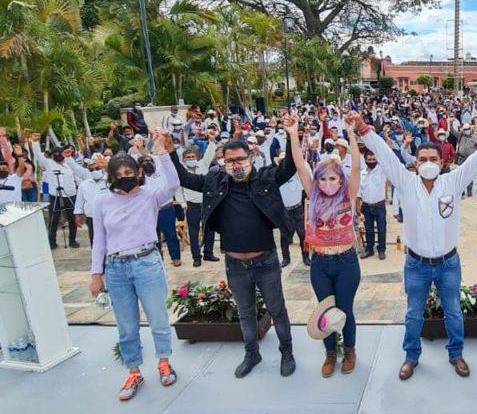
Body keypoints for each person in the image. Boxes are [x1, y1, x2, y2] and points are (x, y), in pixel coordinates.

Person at [353, 111, 477, 381]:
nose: (427, 163)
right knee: (413, 314)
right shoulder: (405, 182)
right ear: (415, 163)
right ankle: (411, 357)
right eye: (422, 159)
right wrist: (364, 128)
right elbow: (386, 156)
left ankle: (456, 353)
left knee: (453, 312)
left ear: (442, 161)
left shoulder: (453, 181)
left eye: (433, 159)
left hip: (448, 263)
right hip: (416, 264)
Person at [170, 122, 298, 379]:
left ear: (251, 158)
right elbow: (184, 178)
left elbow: (289, 167)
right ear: (223, 162)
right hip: (235, 264)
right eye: (230, 161)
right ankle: (252, 353)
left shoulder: (265, 178)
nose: (236, 165)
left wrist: (291, 135)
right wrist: (170, 151)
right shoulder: (215, 181)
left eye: (241, 159)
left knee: (277, 309)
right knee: (245, 311)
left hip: (265, 261)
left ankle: (287, 352)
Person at [88, 129, 178, 401]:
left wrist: (162, 152)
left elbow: (172, 185)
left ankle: (164, 361)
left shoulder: (150, 195)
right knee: (126, 325)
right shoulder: (102, 200)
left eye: (131, 172)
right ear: (112, 176)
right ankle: (134, 370)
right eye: (120, 174)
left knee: (158, 319)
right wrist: (96, 273)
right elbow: (99, 240)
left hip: (146, 263)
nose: (126, 177)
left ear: (139, 173)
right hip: (116, 269)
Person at [285, 114, 362, 378]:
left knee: (346, 310)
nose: (327, 183)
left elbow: (356, 168)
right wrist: (293, 134)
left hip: (346, 262)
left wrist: (352, 134)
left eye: (332, 179)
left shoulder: (348, 195)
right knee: (326, 311)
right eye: (323, 179)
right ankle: (330, 353)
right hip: (320, 263)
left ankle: (350, 350)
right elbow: (300, 165)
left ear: (340, 180)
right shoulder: (313, 195)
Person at [31, 134, 90, 249]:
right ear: (53, 155)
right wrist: (35, 142)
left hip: (70, 194)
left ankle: (72, 240)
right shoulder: (49, 163)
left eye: (61, 153)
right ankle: (52, 242)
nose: (60, 156)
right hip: (56, 195)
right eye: (56, 154)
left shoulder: (69, 162)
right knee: (54, 219)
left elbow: (80, 172)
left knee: (72, 219)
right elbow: (38, 155)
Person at [358, 150, 389, 260]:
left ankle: (381, 250)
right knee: (368, 229)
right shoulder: (362, 174)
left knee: (381, 229)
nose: (371, 161)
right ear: (365, 160)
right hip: (366, 206)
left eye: (373, 159)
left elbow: (386, 158)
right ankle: (369, 249)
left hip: (379, 206)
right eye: (369, 159)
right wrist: (359, 210)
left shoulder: (382, 171)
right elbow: (359, 192)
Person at [73, 155, 107, 245]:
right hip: (92, 218)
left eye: (97, 168)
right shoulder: (84, 185)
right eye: (92, 169)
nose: (95, 171)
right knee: (94, 241)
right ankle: (96, 259)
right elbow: (79, 202)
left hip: (107, 216)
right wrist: (78, 215)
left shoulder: (110, 182)